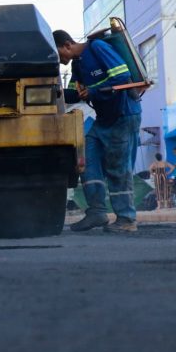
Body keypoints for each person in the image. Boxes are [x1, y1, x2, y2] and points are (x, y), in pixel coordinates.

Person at [52, 29, 142, 233]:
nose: (59, 60)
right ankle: (97, 212)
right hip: (104, 120)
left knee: (118, 169)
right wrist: (51, 91)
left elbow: (122, 77)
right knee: (87, 159)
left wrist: (92, 92)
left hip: (123, 115)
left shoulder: (98, 48)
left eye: (59, 54)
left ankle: (127, 219)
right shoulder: (78, 64)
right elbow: (76, 93)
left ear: (67, 45)